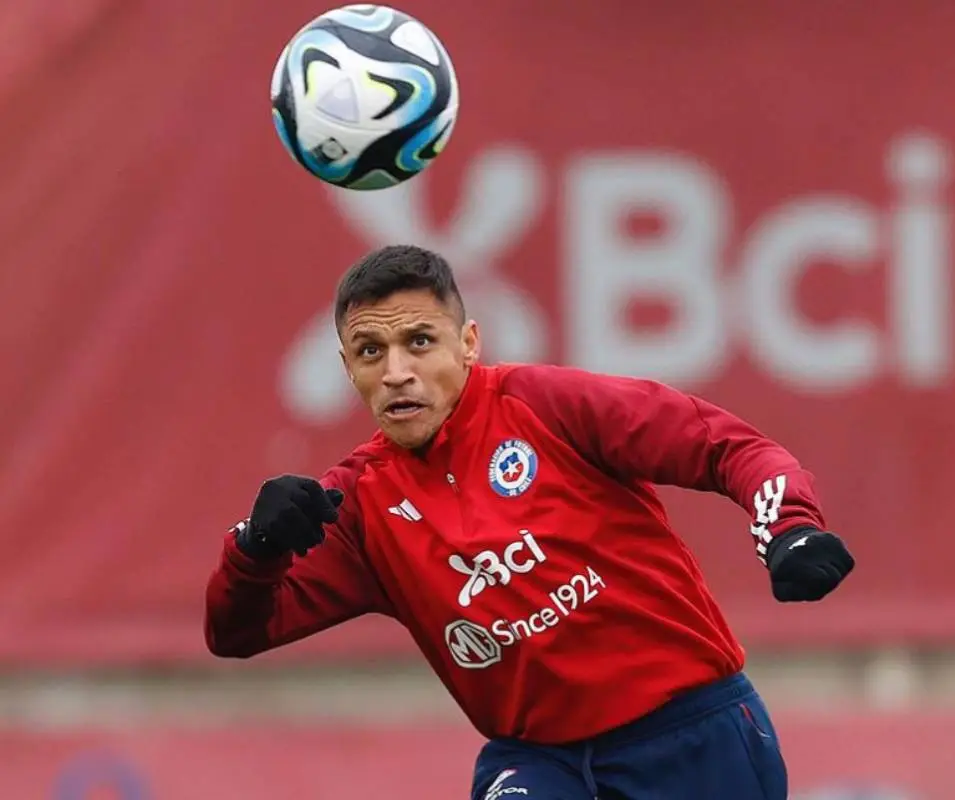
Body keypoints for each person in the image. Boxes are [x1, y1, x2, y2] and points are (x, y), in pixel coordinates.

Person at [204, 244, 855, 799]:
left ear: (468, 344)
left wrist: (788, 529)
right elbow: (236, 631)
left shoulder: (547, 406)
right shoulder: (358, 505)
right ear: (349, 370)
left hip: (689, 733)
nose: (397, 372)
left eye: (419, 342)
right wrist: (257, 548)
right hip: (540, 762)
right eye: (370, 351)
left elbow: (729, 447)